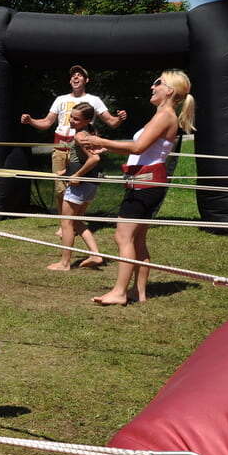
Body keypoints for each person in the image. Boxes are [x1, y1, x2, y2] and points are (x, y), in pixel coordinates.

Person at [79, 70, 195, 306]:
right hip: (148, 182)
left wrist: (100, 141)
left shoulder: (165, 115)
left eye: (157, 83)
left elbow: (138, 147)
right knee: (138, 239)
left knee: (123, 236)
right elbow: (141, 148)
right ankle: (138, 292)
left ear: (169, 91)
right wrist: (108, 147)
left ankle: (120, 292)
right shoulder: (163, 115)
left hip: (145, 183)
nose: (152, 86)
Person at [20, 65, 127, 232]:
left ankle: (76, 221)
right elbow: (47, 123)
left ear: (86, 80)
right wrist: (31, 121)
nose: (75, 77)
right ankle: (65, 225)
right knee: (60, 188)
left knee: (81, 185)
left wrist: (119, 118)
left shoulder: (94, 100)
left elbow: (112, 122)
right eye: (73, 75)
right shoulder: (60, 99)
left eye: (80, 75)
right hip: (60, 147)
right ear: (70, 80)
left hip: (81, 148)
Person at [46, 102, 104, 271]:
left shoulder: (80, 135)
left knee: (67, 223)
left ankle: (64, 263)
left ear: (87, 120)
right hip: (90, 184)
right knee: (77, 222)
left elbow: (94, 159)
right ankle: (95, 255)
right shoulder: (88, 133)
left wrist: (77, 175)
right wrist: (66, 171)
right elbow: (83, 158)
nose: (71, 120)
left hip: (81, 185)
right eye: (71, 117)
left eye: (76, 119)